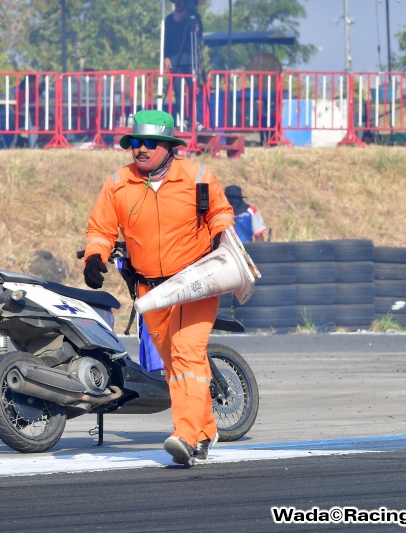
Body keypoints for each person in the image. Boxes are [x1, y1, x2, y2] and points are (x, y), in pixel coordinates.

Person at [83, 110, 234, 466]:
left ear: (168, 147)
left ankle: (184, 433)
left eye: (150, 143)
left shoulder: (198, 177)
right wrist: (94, 257)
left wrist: (219, 237)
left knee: (186, 351)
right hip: (150, 290)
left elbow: (221, 214)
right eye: (135, 142)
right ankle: (205, 430)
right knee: (173, 363)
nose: (140, 149)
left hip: (197, 282)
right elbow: (101, 230)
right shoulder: (118, 184)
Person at [163, 0, 203, 127]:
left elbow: (200, 35)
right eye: (177, 3)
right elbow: (166, 39)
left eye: (182, 3)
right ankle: (183, 119)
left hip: (191, 59)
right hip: (175, 60)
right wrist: (166, 57)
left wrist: (196, 28)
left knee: (194, 90)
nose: (179, 6)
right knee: (178, 91)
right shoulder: (169, 19)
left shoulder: (194, 17)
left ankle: (193, 119)